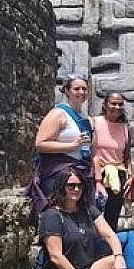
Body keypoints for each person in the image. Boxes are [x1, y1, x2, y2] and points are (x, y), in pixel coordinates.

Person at [27, 73, 94, 214]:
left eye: (84, 89)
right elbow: (40, 144)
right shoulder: (58, 114)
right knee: (59, 215)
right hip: (58, 175)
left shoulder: (87, 119)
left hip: (81, 173)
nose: (81, 92)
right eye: (76, 89)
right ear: (67, 91)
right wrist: (72, 146)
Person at [90, 91, 134, 230]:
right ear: (105, 105)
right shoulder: (94, 123)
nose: (117, 107)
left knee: (112, 217)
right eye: (113, 104)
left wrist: (130, 176)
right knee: (93, 215)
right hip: (98, 173)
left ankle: (110, 243)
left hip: (118, 175)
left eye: (120, 104)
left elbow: (127, 156)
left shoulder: (125, 128)